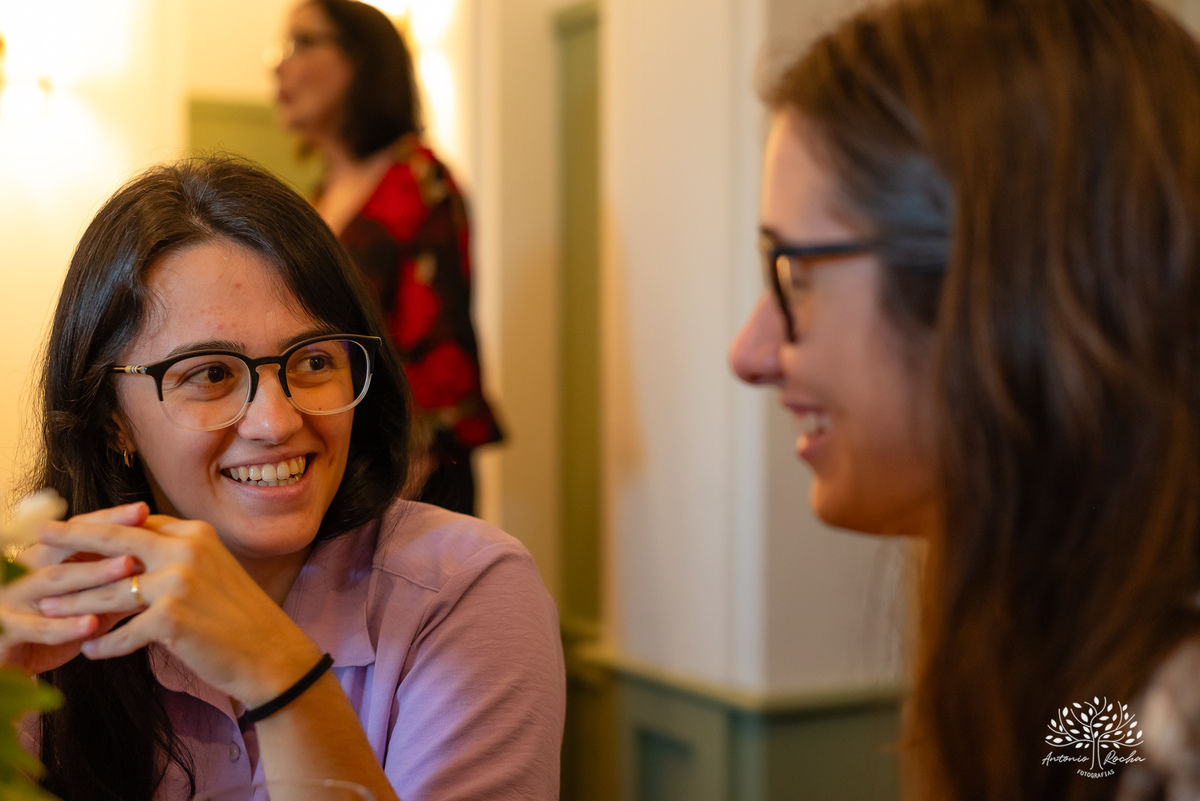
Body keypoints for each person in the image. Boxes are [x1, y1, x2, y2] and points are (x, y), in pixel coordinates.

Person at [729, 0, 1200, 799]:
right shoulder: (1092, 670)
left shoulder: (1176, 715)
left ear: (992, 288)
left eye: (798, 275)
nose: (751, 352)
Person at [0, 157, 564, 801]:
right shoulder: (46, 616)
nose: (276, 420)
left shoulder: (462, 590)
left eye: (315, 361)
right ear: (112, 422)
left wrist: (277, 669)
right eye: (210, 374)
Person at [273, 0, 500, 516]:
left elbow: (441, 349)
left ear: (361, 61)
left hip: (409, 476)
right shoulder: (319, 196)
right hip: (336, 464)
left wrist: (397, 482)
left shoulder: (419, 181)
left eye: (302, 43)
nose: (279, 65)